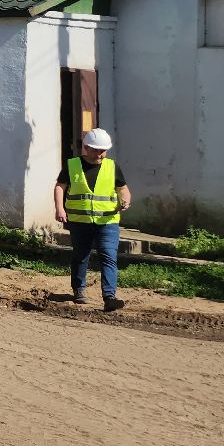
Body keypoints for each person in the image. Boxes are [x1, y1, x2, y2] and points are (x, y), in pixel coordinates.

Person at [53, 128, 131, 312]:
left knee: (109, 256)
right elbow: (60, 187)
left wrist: (126, 201)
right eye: (96, 150)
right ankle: (79, 291)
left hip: (108, 221)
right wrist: (59, 208)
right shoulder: (72, 165)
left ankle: (109, 297)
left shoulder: (112, 166)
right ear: (86, 148)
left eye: (103, 150)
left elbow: (123, 189)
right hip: (80, 221)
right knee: (81, 255)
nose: (100, 154)